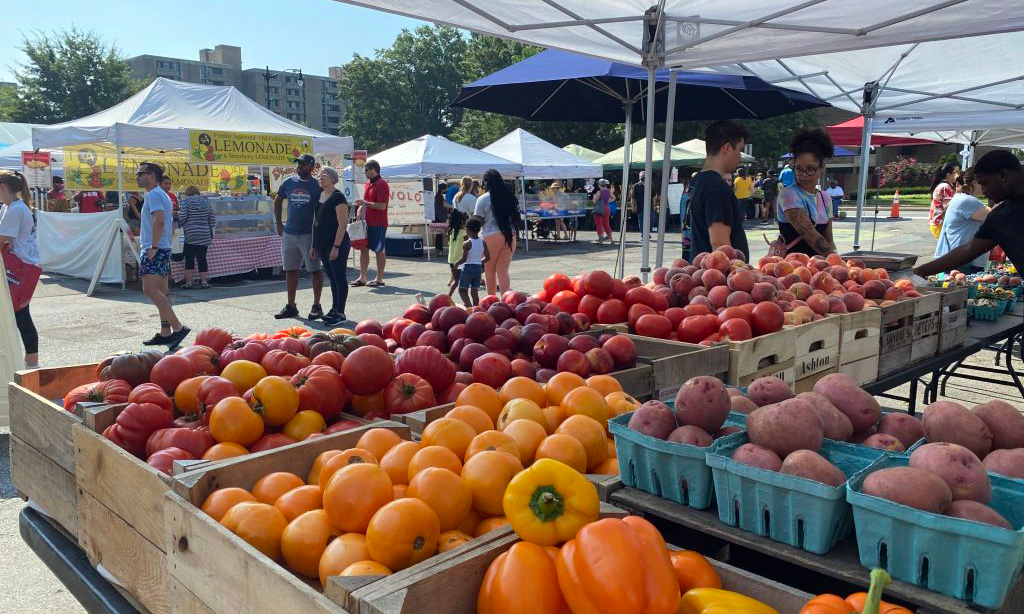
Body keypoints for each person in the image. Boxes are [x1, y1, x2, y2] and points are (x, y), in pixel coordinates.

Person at [915, 151, 1024, 277]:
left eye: (985, 183)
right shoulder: (999, 217)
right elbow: (968, 250)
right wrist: (919, 272)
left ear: (1003, 176)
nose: (983, 191)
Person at [135, 162, 189, 347]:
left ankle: (178, 328)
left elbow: (159, 220)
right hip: (161, 247)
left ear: (150, 175)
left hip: (156, 247)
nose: (137, 177)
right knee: (162, 292)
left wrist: (153, 247)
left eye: (140, 174)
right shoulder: (160, 194)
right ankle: (166, 332)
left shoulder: (154, 194)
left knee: (150, 290)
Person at [689, 120, 751, 258]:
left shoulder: (696, 182)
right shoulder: (717, 188)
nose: (740, 158)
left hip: (698, 271)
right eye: (740, 150)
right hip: (717, 277)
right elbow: (720, 245)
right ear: (727, 148)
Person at [274, 154, 325, 319]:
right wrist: (278, 223)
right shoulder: (288, 182)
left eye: (303, 164)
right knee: (290, 270)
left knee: (315, 270)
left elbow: (325, 206)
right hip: (290, 233)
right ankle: (291, 306)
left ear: (312, 167)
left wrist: (320, 230)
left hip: (309, 234)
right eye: (298, 164)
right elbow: (278, 199)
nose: (300, 167)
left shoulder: (318, 185)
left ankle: (317, 305)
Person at [0, 171, 42, 367]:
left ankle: (31, 363)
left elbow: (2, 239)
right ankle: (30, 362)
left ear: (2, 187)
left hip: (20, 268)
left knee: (20, 315)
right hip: (19, 267)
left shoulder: (15, 209)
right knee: (19, 315)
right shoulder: (10, 207)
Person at [775, 129, 837, 257]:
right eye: (799, 168)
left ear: (822, 166)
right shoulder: (788, 194)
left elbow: (829, 239)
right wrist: (836, 261)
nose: (803, 175)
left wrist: (836, 260)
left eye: (810, 169)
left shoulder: (825, 198)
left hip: (819, 268)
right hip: (791, 269)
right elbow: (810, 235)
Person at [311, 167, 350, 325]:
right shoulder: (320, 195)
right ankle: (334, 309)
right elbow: (315, 222)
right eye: (320, 176)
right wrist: (314, 245)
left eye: (324, 175)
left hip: (336, 244)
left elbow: (342, 224)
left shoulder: (338, 197)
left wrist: (336, 247)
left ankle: (340, 313)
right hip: (322, 245)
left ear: (333, 178)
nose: (321, 178)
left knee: (339, 278)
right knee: (332, 278)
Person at [474, 169, 522, 295]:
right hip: (509, 235)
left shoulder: (483, 199)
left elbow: (478, 220)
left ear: (486, 183)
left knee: (489, 270)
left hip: (490, 236)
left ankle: (491, 301)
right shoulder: (509, 196)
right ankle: (506, 300)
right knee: (503, 271)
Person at [934, 168, 990, 274]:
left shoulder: (962, 198)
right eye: (984, 182)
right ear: (974, 182)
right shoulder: (967, 200)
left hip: (961, 259)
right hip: (963, 261)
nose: (986, 186)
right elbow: (994, 216)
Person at [353, 159, 389, 287]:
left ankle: (379, 278)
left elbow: (382, 206)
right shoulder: (368, 183)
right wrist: (361, 208)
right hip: (366, 222)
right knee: (363, 248)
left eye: (367, 170)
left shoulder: (382, 183)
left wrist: (364, 204)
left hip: (378, 223)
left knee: (378, 250)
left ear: (374, 169)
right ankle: (362, 277)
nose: (365, 173)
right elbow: (366, 201)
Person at [178, 186, 216, 289]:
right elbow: (212, 219)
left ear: (187, 193)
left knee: (189, 258)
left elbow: (183, 217)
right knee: (202, 258)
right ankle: (204, 282)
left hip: (190, 233)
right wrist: (207, 228)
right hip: (204, 233)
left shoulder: (185, 201)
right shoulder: (206, 202)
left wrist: (180, 225)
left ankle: (189, 283)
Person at [455, 217, 488, 308]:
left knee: (462, 290)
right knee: (474, 291)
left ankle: (469, 308)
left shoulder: (467, 243)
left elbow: (464, 259)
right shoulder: (483, 242)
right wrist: (479, 262)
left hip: (468, 268)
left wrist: (456, 264)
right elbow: (488, 257)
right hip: (478, 268)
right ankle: (476, 308)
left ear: (467, 230)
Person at [928, 161, 961, 239]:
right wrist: (958, 193)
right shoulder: (945, 187)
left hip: (938, 223)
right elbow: (948, 206)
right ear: (948, 174)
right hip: (941, 224)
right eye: (956, 172)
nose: (958, 175)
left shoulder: (945, 185)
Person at [446, 208, 467, 297]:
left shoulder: (451, 231)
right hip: (460, 259)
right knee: (458, 281)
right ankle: (449, 295)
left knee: (454, 272)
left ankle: (451, 281)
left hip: (451, 259)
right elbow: (468, 244)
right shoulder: (464, 232)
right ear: (462, 222)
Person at [592, 178, 613, 244]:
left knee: (599, 224)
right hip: (607, 208)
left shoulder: (599, 192)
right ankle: (611, 240)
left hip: (599, 209)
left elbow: (594, 202)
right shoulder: (609, 191)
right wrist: (608, 201)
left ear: (599, 185)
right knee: (606, 224)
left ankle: (601, 241)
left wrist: (594, 197)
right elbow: (614, 197)